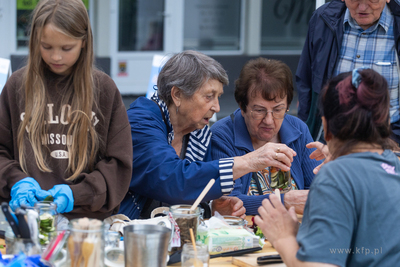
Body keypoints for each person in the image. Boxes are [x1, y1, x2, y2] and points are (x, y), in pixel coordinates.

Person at [118, 51, 297, 220]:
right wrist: (249, 161)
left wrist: (213, 209)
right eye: (209, 96)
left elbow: (192, 197)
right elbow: (173, 180)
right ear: (177, 95)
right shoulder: (141, 120)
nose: (217, 107)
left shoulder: (199, 134)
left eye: (218, 97)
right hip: (125, 233)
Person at [0, 0, 132, 220]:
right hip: (23, 218)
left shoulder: (104, 89)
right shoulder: (17, 86)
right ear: (34, 42)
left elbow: (118, 166)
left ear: (84, 42)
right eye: (47, 46)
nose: (56, 57)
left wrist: (77, 194)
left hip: (85, 223)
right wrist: (16, 180)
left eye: (66, 48)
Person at [256, 68, 400, 266]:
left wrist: (283, 238)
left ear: (327, 125)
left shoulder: (336, 176)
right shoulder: (393, 163)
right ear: (385, 119)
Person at [210, 58, 321, 215]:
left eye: (278, 109)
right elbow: (228, 203)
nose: (269, 121)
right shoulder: (223, 135)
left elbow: (319, 190)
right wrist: (285, 201)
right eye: (259, 110)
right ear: (242, 106)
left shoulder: (298, 129)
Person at [296, 0, 400, 143]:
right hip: (329, 144)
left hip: (389, 145)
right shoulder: (323, 19)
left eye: (372, 0)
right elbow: (306, 83)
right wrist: (304, 138)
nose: (362, 7)